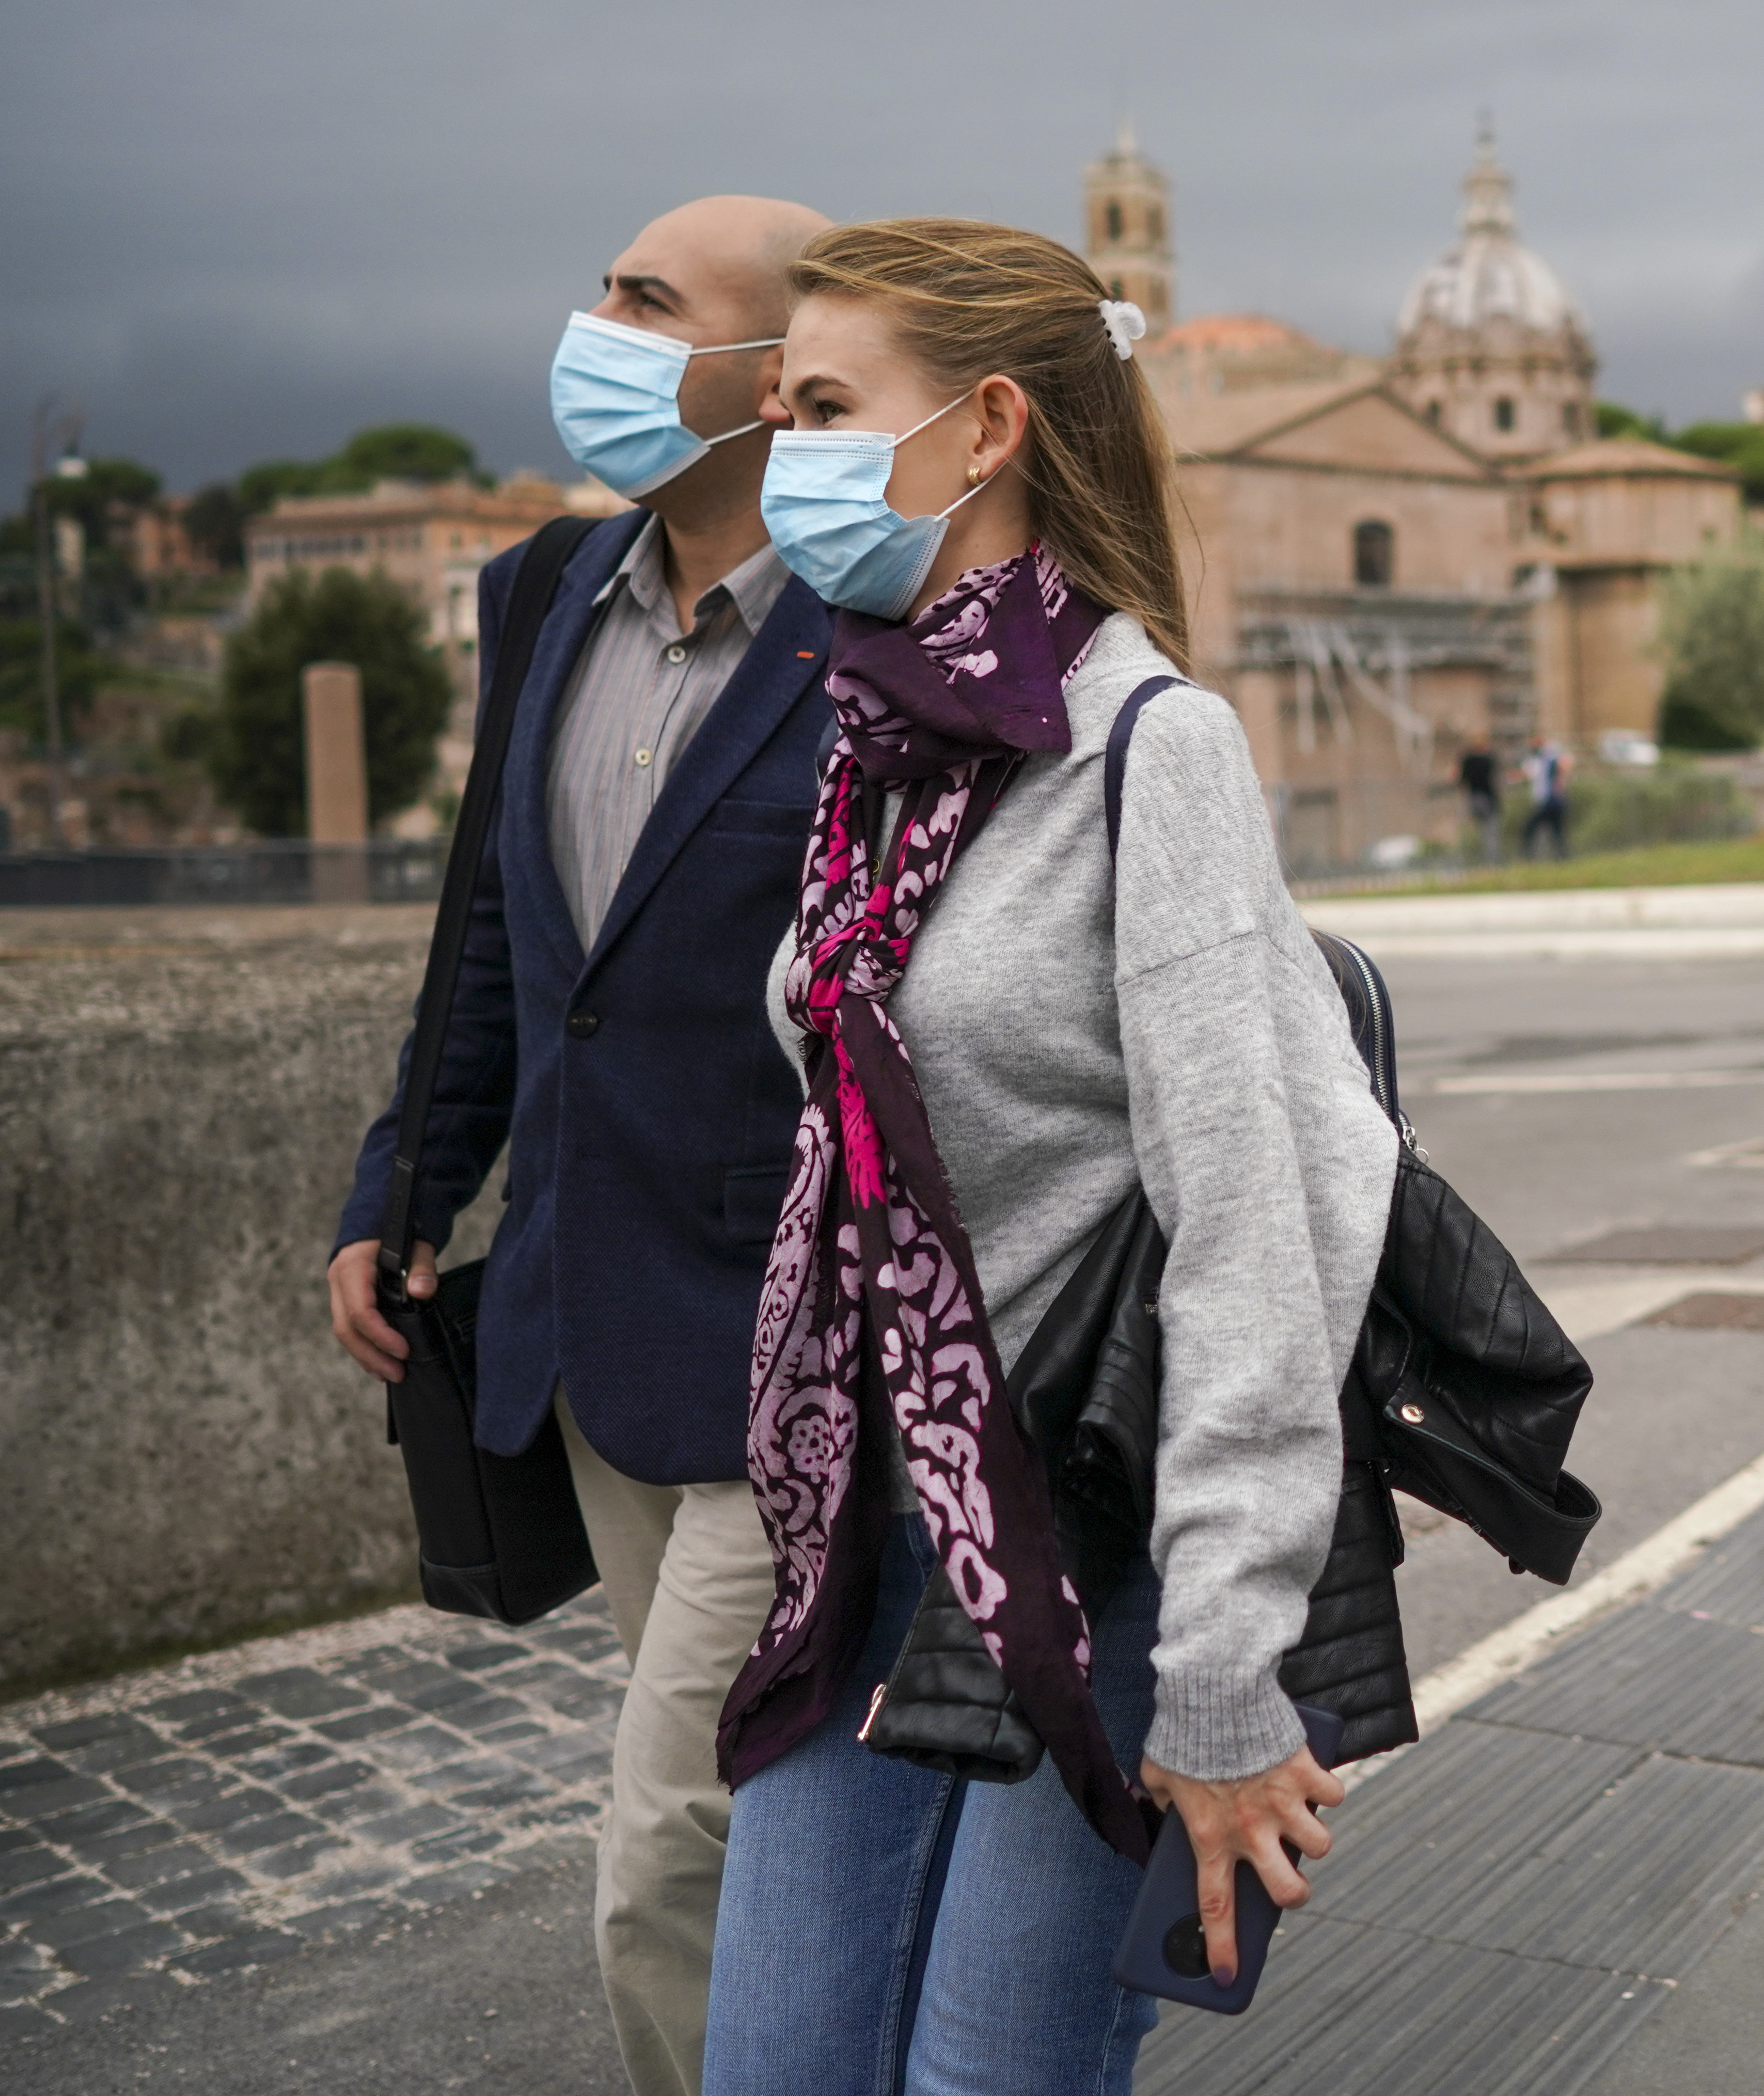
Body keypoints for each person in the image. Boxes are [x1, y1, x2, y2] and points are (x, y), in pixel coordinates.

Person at [699, 218, 1400, 2096]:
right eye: (780, 414)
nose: (790, 460)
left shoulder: (1147, 751)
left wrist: (1231, 1681)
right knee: (776, 2062)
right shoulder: (883, 747)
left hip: (1093, 1554)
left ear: (990, 424)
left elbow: (1257, 1228)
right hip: (870, 1529)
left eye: (830, 410)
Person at [324, 194, 833, 2096]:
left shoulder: (888, 621)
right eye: (600, 288)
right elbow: (497, 931)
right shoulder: (539, 591)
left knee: (665, 1861)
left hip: (803, 1346)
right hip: (583, 1331)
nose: (592, 325)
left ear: (778, 377)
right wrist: (406, 1186)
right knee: (758, 1821)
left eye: (643, 299)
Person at [1520, 736, 1570, 858]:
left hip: (1549, 801)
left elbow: (1565, 764)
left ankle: (1528, 856)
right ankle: (1562, 857)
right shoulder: (1541, 759)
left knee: (1531, 828)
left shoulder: (1550, 756)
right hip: (1552, 800)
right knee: (1557, 832)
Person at [1457, 734, 1502, 863]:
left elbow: (1462, 782)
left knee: (1470, 830)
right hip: (1487, 799)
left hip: (1473, 798)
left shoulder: (1467, 760)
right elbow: (1496, 780)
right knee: (1491, 832)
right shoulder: (1489, 759)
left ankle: (1468, 859)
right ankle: (1491, 862)